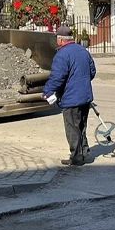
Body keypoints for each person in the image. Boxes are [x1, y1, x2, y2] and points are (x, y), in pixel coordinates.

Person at [43, 25, 96, 166]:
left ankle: (76, 158)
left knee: (72, 128)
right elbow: (92, 71)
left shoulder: (62, 55)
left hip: (71, 98)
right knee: (82, 126)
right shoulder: (83, 51)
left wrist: (48, 91)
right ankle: (85, 153)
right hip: (85, 96)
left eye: (57, 39)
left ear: (60, 40)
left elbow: (57, 77)